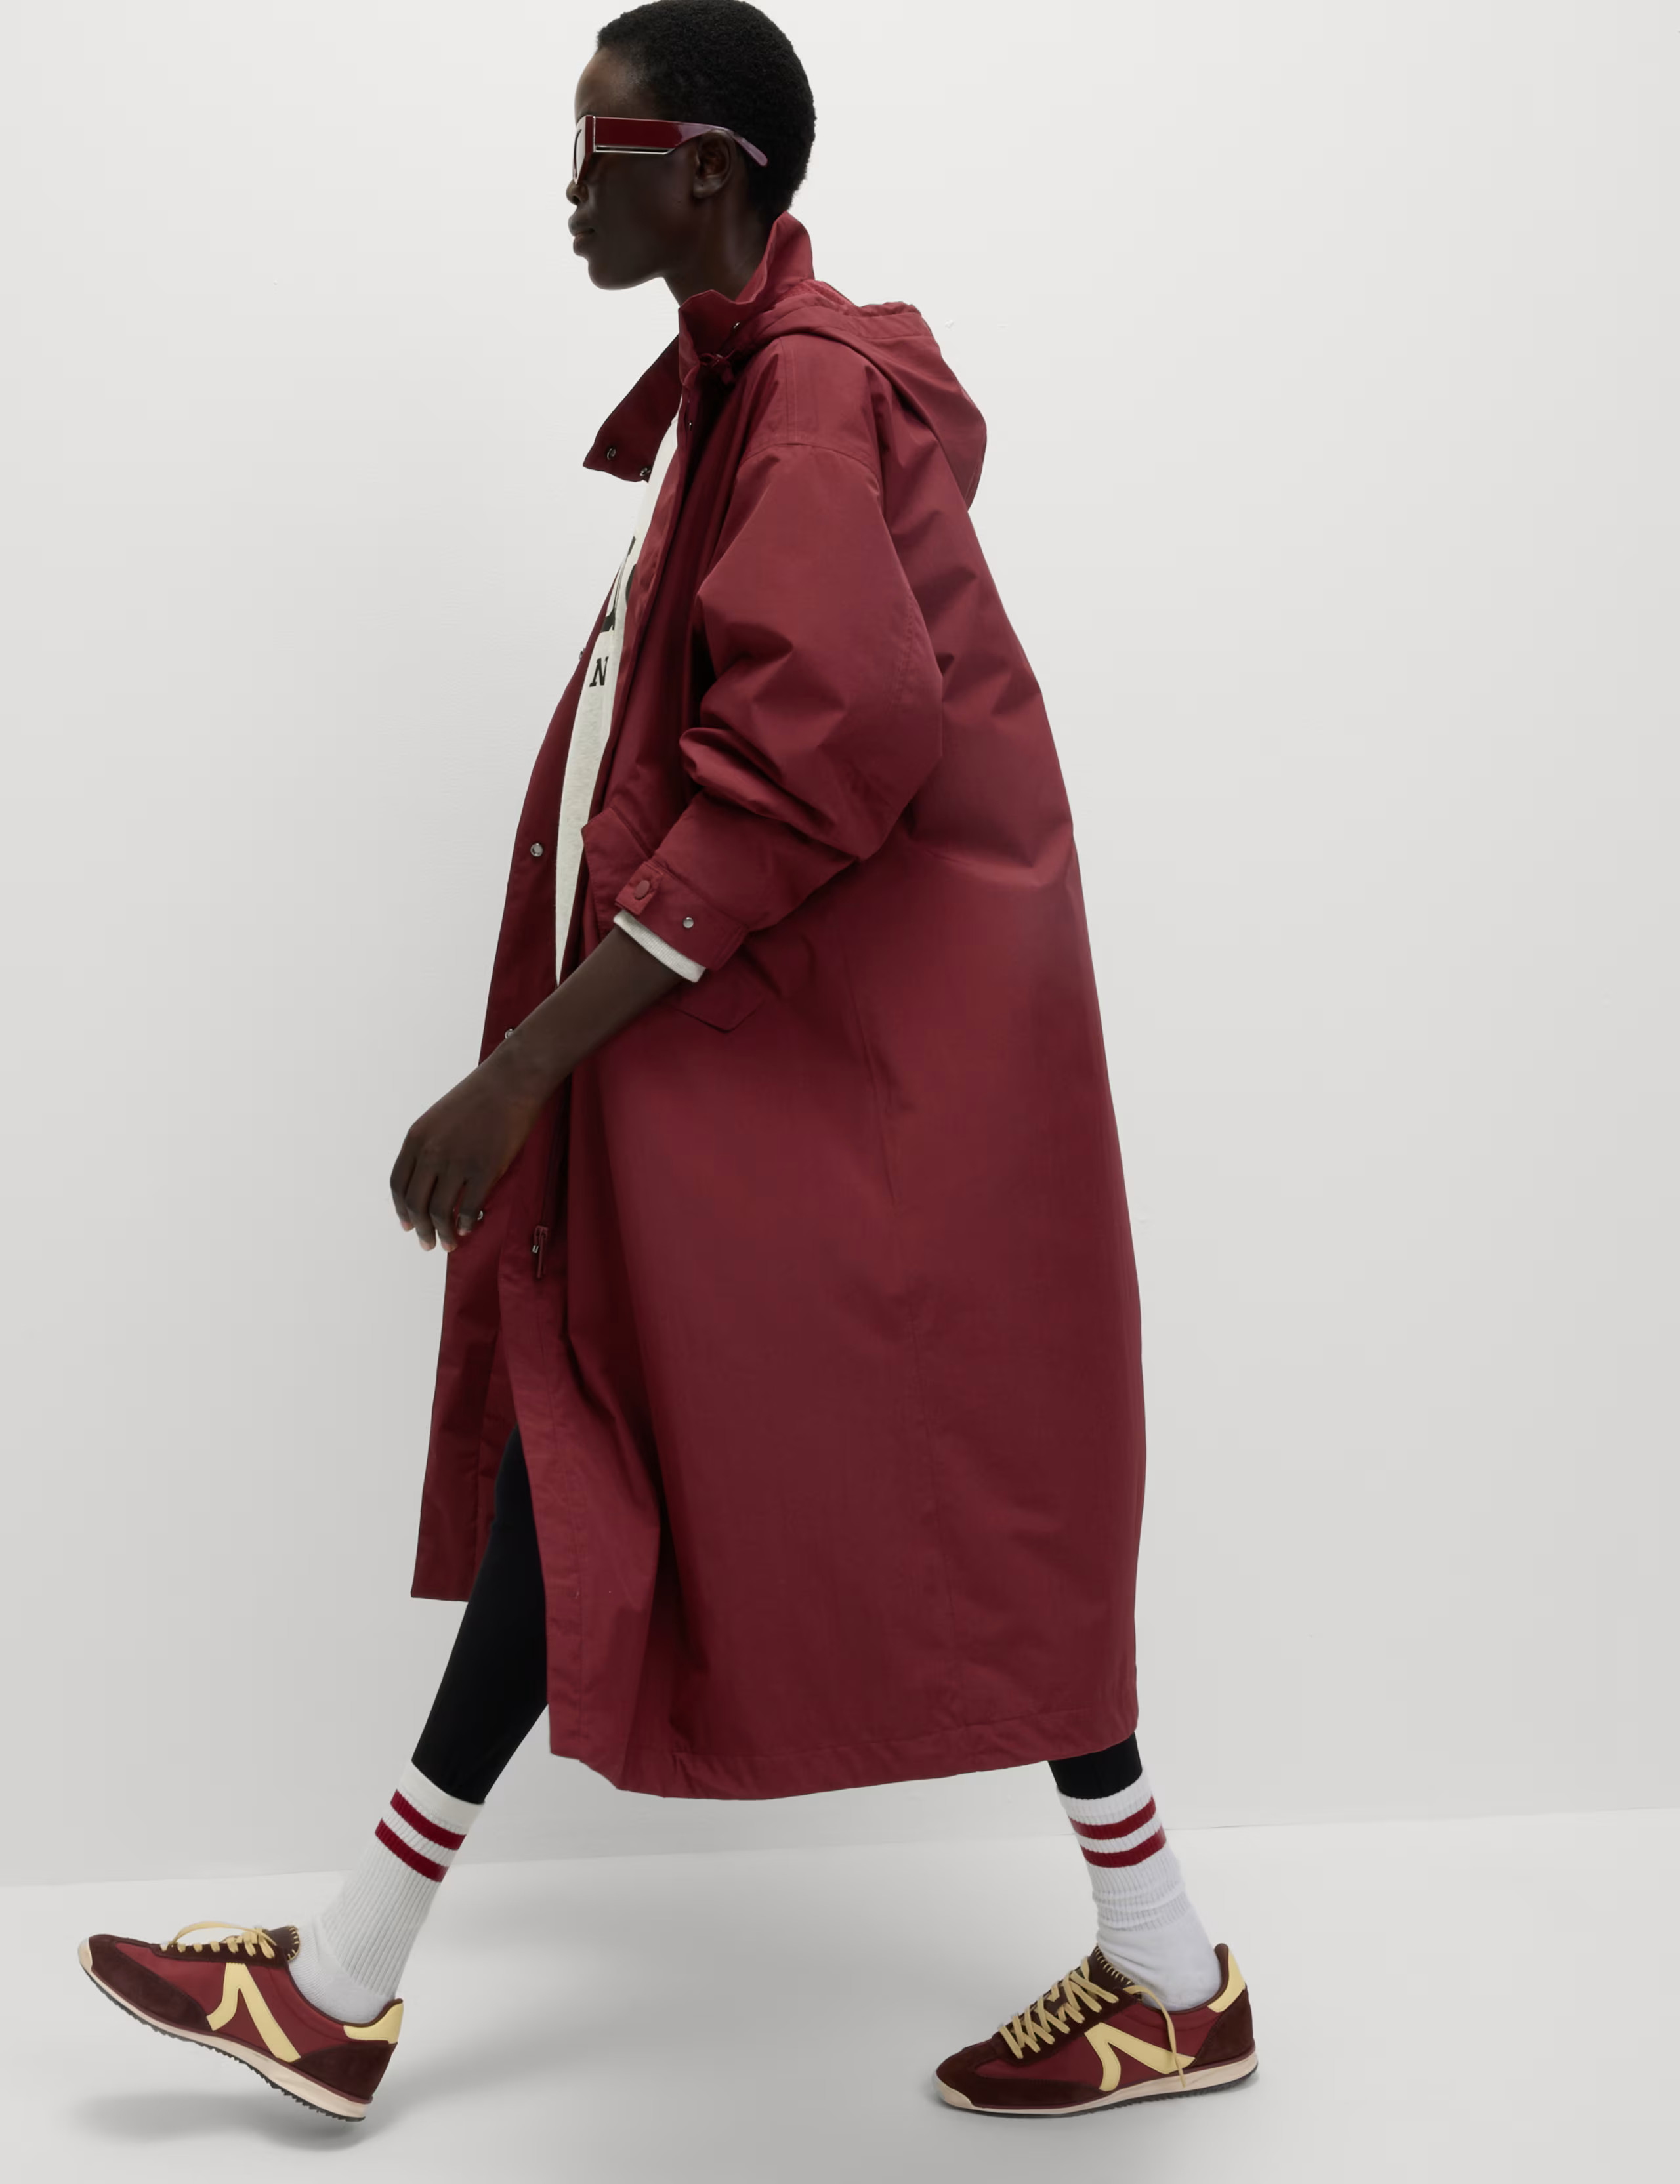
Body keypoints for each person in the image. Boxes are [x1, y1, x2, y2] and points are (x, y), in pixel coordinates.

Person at [77, 0, 1255, 2123]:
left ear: (702, 169)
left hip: (852, 1077)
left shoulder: (799, 396)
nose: (566, 192)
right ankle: (354, 1976)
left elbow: (826, 747)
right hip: (820, 1062)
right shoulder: (753, 384)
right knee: (642, 1438)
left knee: (911, 1471)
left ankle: (354, 1983)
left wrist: (523, 1068)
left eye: (595, 151)